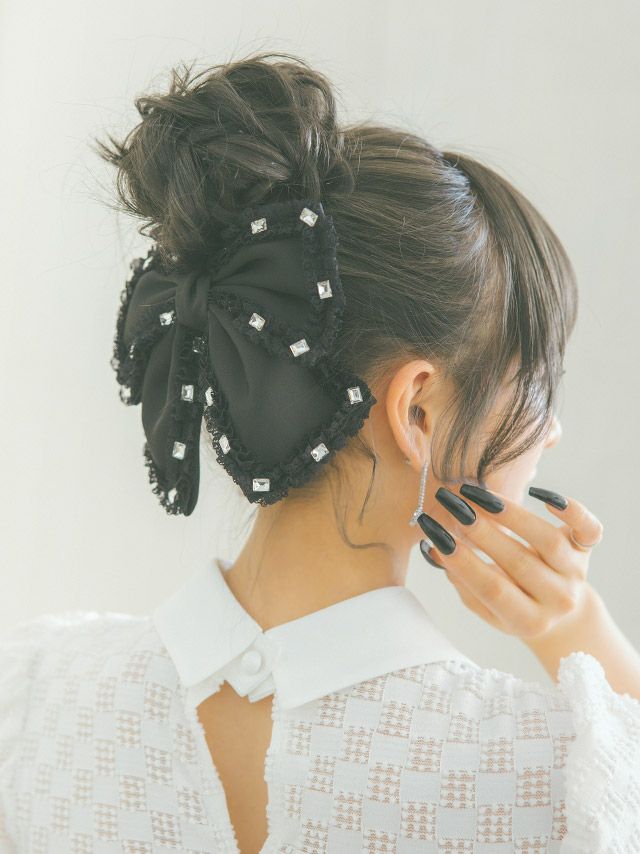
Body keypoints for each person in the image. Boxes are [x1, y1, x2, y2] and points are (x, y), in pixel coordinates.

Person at [1, 50, 639, 854]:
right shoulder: (549, 773)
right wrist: (580, 632)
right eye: (539, 384)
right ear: (415, 409)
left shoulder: (32, 693)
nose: (551, 431)